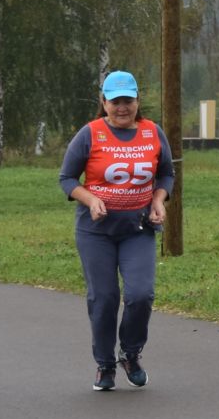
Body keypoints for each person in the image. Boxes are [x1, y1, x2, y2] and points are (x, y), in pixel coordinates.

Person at [59, 71, 173, 392]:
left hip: (138, 228)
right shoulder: (90, 134)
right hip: (96, 231)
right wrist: (90, 198)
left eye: (128, 101)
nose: (122, 108)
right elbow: (67, 178)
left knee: (140, 294)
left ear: (138, 101)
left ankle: (131, 353)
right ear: (103, 102)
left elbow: (166, 174)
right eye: (115, 101)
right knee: (104, 297)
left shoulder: (152, 133)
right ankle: (104, 364)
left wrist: (159, 200)